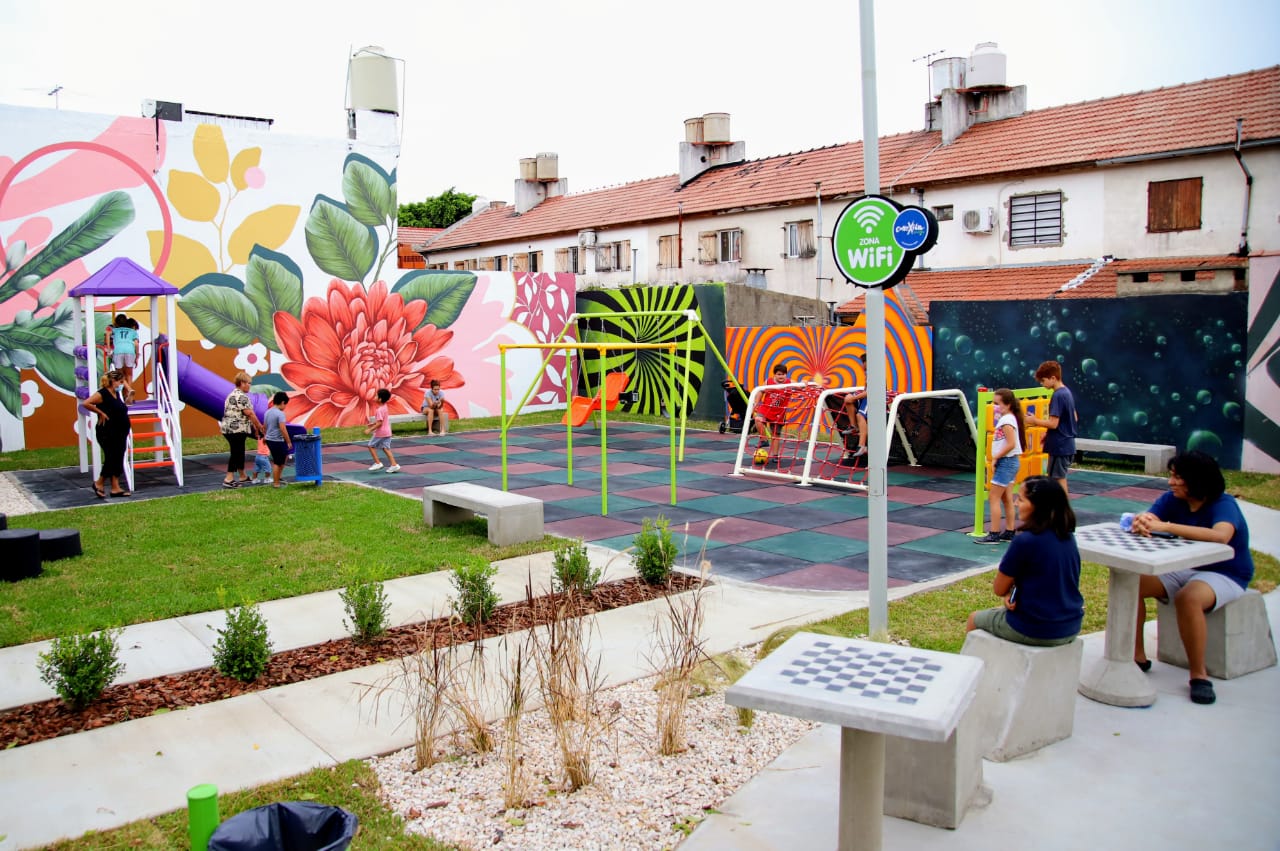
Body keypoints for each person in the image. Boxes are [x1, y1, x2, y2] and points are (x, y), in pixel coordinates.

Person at [1132, 451, 1253, 706]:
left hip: (1226, 572)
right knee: (1132, 584)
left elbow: (1221, 536)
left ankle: (1199, 675)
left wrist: (1167, 527)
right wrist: (1143, 520)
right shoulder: (1171, 500)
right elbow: (1151, 516)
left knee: (1189, 598)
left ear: (1196, 480)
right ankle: (1136, 657)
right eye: (1171, 476)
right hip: (1185, 567)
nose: (1171, 482)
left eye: (1177, 477)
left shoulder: (1224, 504)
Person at [967, 475, 1084, 646]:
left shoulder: (1025, 540)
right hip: (1071, 625)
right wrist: (1013, 592)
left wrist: (1009, 591)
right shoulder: (1067, 536)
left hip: (1035, 629)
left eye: (1021, 500)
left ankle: (972, 670)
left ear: (1038, 506)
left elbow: (999, 588)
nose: (1016, 504)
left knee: (974, 619)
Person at [976, 388, 1025, 544]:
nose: (995, 406)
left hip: (1007, 462)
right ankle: (1009, 531)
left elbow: (1010, 444)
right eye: (993, 403)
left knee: (993, 497)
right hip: (1010, 462)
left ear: (1008, 404)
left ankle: (994, 534)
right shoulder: (1009, 418)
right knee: (1006, 498)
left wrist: (996, 457)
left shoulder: (1006, 420)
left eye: (997, 403)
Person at [1026, 360, 1077, 498]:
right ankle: (1061, 509)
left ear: (1053, 378)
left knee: (1058, 479)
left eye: (1043, 381)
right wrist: (1048, 434)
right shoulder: (1067, 392)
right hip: (1066, 443)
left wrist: (1034, 420)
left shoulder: (1058, 395)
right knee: (1058, 478)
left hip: (1060, 445)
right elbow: (1074, 417)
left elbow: (1054, 423)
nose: (1042, 384)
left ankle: (1063, 510)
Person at [81, 368, 134, 498]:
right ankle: (99, 483)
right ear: (113, 381)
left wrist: (130, 396)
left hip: (120, 431)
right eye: (120, 382)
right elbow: (86, 403)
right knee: (111, 457)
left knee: (118, 458)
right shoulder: (102, 394)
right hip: (107, 431)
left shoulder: (117, 394)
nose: (122, 384)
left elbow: (122, 408)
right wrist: (100, 413)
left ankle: (115, 487)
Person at [220, 371, 264, 489]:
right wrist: (259, 426)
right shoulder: (242, 397)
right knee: (236, 453)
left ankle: (242, 475)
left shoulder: (231, 395)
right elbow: (250, 413)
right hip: (236, 429)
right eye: (248, 383)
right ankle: (228, 478)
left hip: (228, 428)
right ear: (242, 383)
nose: (249, 385)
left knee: (239, 451)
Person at [753, 363, 790, 460]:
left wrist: (804, 382)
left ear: (786, 375)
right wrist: (756, 403)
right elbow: (761, 391)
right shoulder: (768, 382)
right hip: (766, 409)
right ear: (774, 375)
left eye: (783, 374)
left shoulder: (790, 383)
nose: (781, 376)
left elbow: (801, 386)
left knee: (776, 434)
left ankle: (775, 455)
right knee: (758, 419)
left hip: (779, 413)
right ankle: (764, 439)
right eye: (778, 374)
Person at [263, 391, 293, 488]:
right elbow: (283, 429)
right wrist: (288, 441)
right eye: (285, 404)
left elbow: (265, 426)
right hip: (277, 440)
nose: (285, 407)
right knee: (278, 461)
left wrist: (265, 437)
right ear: (283, 402)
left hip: (270, 439)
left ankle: (278, 478)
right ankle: (276, 483)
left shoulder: (267, 412)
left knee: (281, 459)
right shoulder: (280, 414)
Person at [366, 388, 400, 473]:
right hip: (387, 432)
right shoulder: (385, 407)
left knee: (370, 446)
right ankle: (394, 465)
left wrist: (370, 429)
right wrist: (373, 424)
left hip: (380, 433)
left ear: (380, 399)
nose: (375, 397)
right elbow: (381, 421)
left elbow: (379, 424)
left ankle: (377, 463)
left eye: (376, 395)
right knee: (386, 448)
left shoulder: (379, 410)